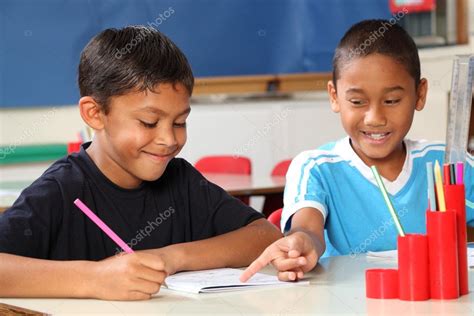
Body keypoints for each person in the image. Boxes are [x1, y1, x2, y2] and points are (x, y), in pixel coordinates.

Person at [0, 26, 282, 300]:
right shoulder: (61, 190)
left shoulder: (182, 181)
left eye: (180, 122)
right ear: (95, 113)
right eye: (149, 122)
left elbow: (266, 236)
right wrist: (94, 278)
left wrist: (170, 257)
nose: (168, 139)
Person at [240, 19, 473, 283]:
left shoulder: (449, 163)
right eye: (357, 102)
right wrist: (300, 243)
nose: (375, 117)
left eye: (392, 101)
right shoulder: (316, 168)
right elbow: (307, 229)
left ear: (420, 95)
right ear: (334, 96)